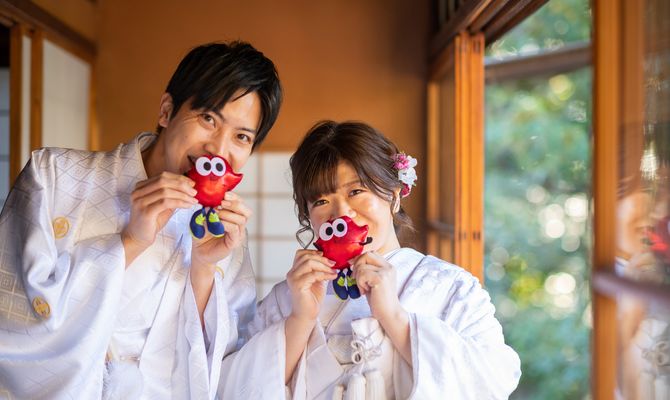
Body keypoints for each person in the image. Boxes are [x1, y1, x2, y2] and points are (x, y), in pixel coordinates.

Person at [0, 41, 282, 399]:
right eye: (209, 119)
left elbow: (226, 368)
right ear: (166, 111)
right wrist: (129, 243)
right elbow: (11, 315)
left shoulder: (222, 233)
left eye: (241, 137)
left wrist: (204, 270)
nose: (218, 149)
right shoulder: (53, 176)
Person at [220, 121, 521, 399]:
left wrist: (395, 318)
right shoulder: (289, 296)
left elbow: (492, 380)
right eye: (321, 200)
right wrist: (300, 321)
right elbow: (230, 389)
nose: (341, 213)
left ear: (394, 196)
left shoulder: (449, 287)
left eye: (356, 191)